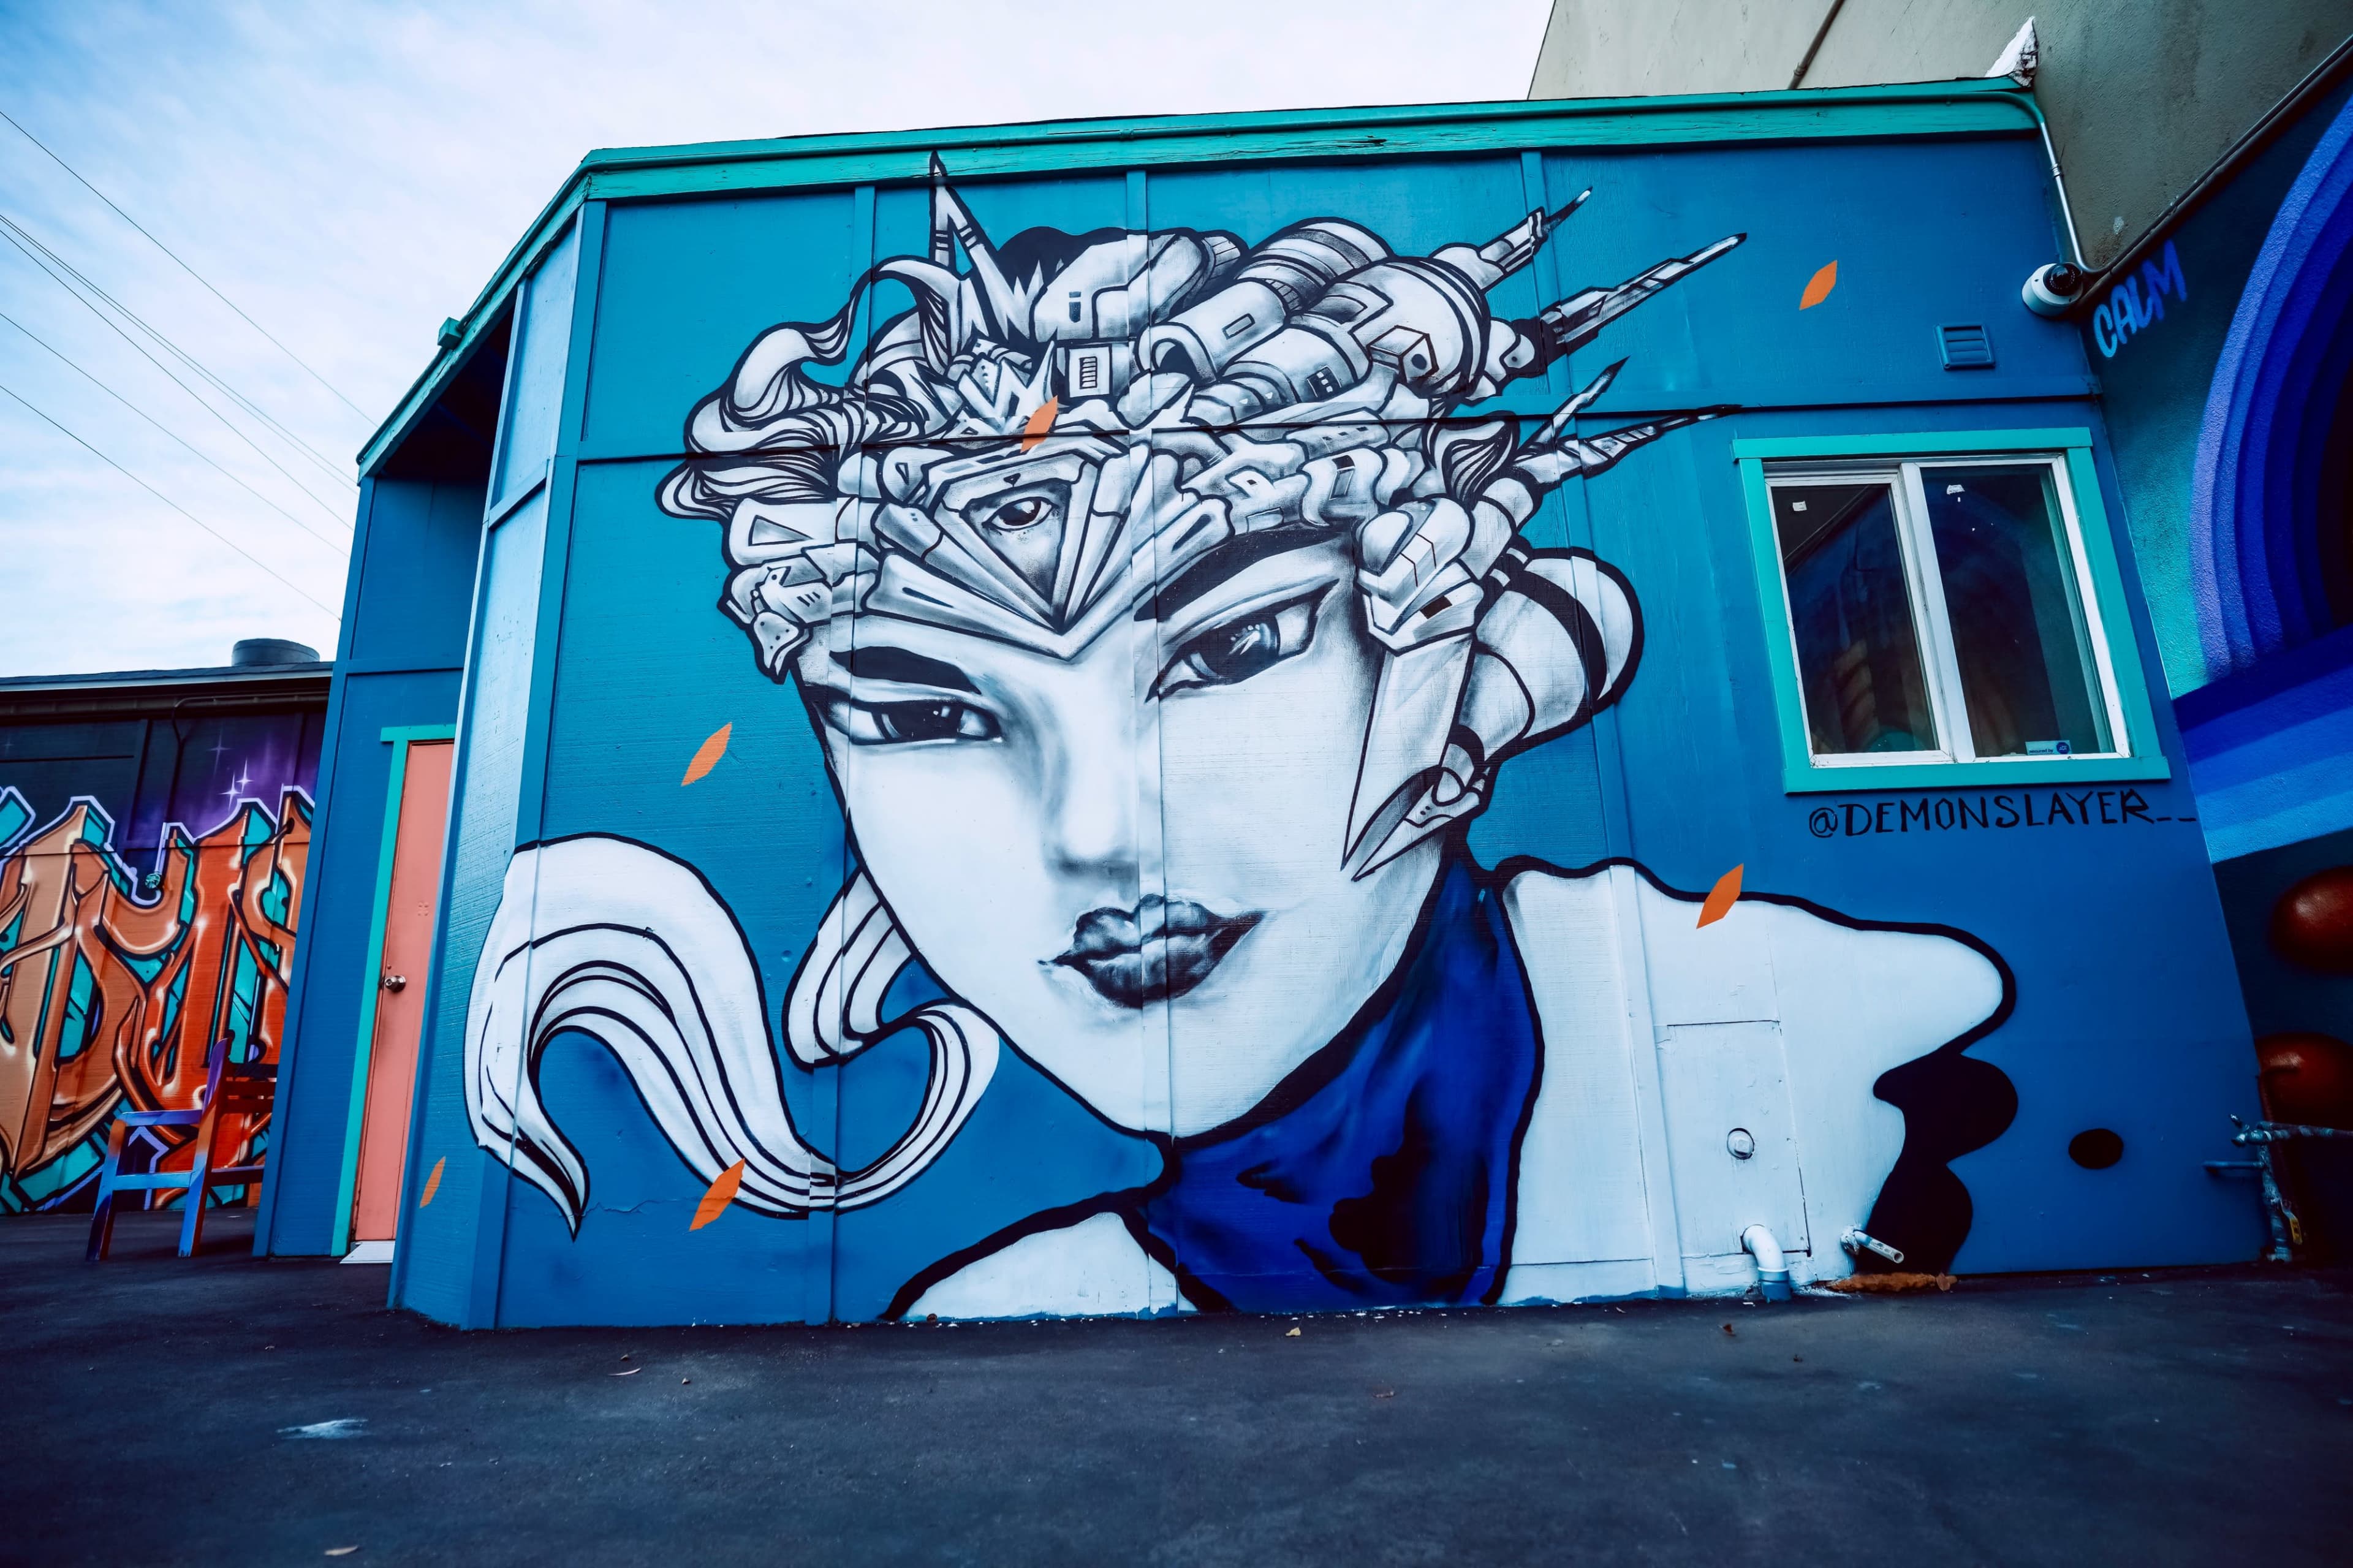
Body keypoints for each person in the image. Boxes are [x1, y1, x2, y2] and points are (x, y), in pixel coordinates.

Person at [462, 176, 2012, 1316]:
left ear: (1438, 637)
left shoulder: (1874, 1037)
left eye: (1226, 646)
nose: (1091, 832)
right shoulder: (995, 1300)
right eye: (925, 711)